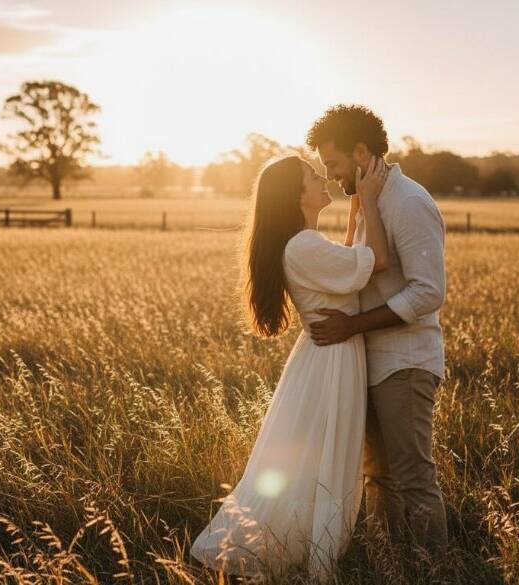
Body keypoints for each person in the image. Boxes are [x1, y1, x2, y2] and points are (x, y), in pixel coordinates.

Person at [191, 153, 390, 582]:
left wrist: (357, 213)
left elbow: (351, 260)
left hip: (329, 355)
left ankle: (301, 549)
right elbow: (373, 264)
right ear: (295, 196)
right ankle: (294, 554)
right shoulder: (303, 245)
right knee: (323, 458)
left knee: (321, 456)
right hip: (330, 360)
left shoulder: (306, 242)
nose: (323, 179)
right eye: (312, 176)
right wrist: (369, 201)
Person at [306, 104, 449, 553]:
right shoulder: (368, 201)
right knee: (378, 477)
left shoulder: (408, 202)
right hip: (368, 360)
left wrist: (353, 325)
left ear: (361, 151)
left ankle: (437, 571)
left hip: (405, 362)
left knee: (413, 477)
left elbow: (429, 292)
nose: (329, 175)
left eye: (333, 163)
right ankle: (388, 565)